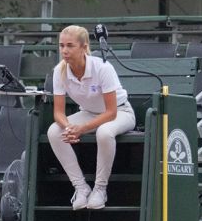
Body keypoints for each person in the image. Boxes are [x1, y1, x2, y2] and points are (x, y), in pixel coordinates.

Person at [47, 25, 136, 211]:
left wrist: (82, 128)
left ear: (83, 46)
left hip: (121, 113)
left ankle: (100, 189)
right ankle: (80, 188)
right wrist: (69, 127)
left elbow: (111, 112)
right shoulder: (59, 71)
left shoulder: (102, 67)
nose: (64, 50)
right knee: (55, 131)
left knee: (104, 132)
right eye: (61, 45)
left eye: (70, 45)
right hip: (89, 113)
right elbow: (58, 113)